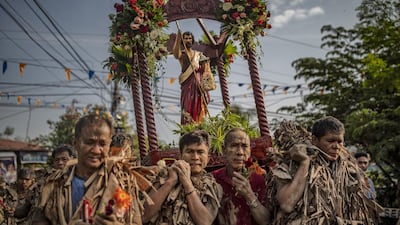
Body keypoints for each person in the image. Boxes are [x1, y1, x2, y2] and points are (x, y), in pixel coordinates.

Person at [31, 114, 146, 225]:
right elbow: (39, 220)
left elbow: (135, 221)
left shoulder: (122, 182)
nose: (96, 150)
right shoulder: (55, 184)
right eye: (89, 142)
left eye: (102, 144)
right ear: (75, 143)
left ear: (108, 145)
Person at [269, 116, 381, 225]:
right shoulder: (292, 164)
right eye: (331, 140)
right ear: (314, 140)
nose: (336, 146)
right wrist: (304, 163)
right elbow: (287, 205)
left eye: (339, 141)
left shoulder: (348, 171)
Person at [143, 130, 222, 225]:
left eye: (200, 152)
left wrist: (187, 183)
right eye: (190, 151)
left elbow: (204, 222)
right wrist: (171, 181)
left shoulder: (213, 187)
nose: (195, 157)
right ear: (180, 155)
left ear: (208, 158)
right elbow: (144, 216)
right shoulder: (163, 176)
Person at [212, 128, 271, 225]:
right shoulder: (213, 179)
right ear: (224, 150)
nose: (240, 152)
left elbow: (266, 221)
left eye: (244, 146)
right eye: (234, 145)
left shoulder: (260, 179)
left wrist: (249, 195)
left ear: (250, 151)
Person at [173, 29, 211, 124]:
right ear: (183, 40)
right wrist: (178, 38)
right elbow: (176, 54)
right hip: (187, 86)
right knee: (187, 106)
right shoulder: (182, 54)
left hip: (198, 86)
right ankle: (188, 127)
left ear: (192, 40)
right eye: (185, 38)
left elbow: (204, 68)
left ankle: (199, 125)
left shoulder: (198, 55)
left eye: (189, 38)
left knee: (199, 107)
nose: (188, 40)